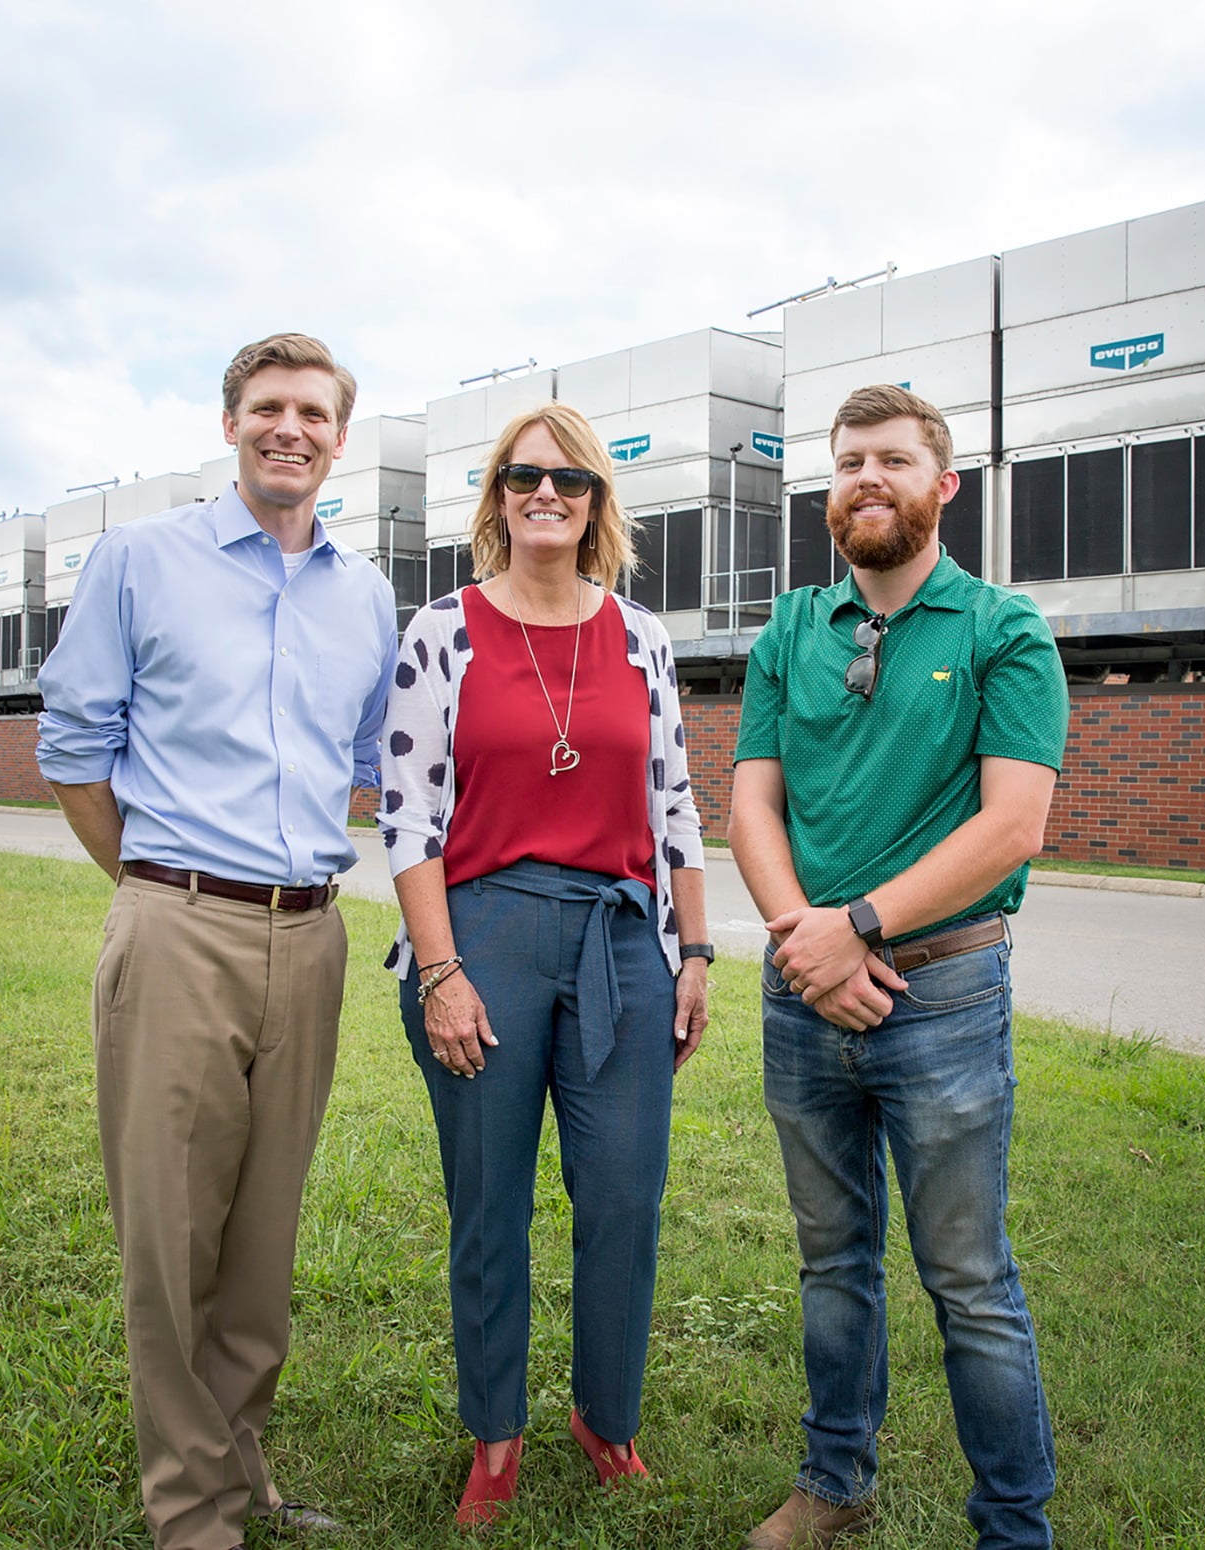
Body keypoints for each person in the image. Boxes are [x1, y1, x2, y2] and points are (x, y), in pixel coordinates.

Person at [36, 332, 397, 1550]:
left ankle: (242, 1464)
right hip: (177, 923)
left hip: (311, 937)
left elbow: (361, 764)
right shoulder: (141, 559)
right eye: (267, 408)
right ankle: (191, 1512)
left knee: (261, 1233)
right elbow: (74, 749)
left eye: (312, 411)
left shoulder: (365, 592)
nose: (288, 428)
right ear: (232, 423)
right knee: (171, 1229)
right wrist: (157, 886)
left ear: (340, 438)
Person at [729, 384, 1069, 1550]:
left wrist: (855, 924)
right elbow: (752, 805)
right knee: (832, 1261)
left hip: (946, 996)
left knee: (969, 1278)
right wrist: (803, 939)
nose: (867, 478)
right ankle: (836, 1482)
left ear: (943, 485)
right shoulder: (790, 629)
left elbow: (1012, 824)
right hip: (803, 992)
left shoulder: (1001, 630)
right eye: (848, 462)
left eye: (893, 459)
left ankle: (1013, 1527)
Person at [378, 401, 712, 1527]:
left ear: (597, 504)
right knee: (490, 1197)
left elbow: (675, 801)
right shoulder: (445, 630)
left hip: (625, 936)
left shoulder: (642, 637)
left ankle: (604, 1414)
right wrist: (439, 971)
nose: (546, 495)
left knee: (623, 1191)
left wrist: (697, 946)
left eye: (569, 481)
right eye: (525, 476)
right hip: (487, 933)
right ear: (498, 496)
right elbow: (408, 815)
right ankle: (497, 1431)